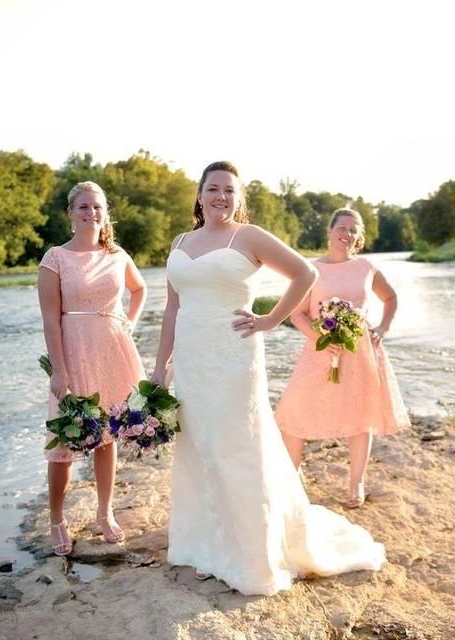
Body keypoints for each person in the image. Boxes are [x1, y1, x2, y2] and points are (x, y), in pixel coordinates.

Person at [150, 161, 386, 596]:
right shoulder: (180, 241)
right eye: (213, 188)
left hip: (234, 354)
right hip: (191, 358)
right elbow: (171, 308)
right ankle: (205, 544)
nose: (221, 196)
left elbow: (305, 273)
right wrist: (159, 366)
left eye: (230, 190)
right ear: (199, 195)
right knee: (198, 443)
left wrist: (270, 320)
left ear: (239, 199)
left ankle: (247, 550)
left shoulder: (249, 236)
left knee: (236, 445)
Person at [37, 181, 146, 555]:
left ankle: (104, 512)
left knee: (106, 436)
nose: (91, 213)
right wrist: (59, 371)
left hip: (111, 350)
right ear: (70, 213)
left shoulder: (117, 255)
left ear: (105, 212)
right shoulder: (55, 258)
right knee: (63, 442)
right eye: (83, 207)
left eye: (97, 207)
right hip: (73, 349)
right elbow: (51, 321)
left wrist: (128, 322)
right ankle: (57, 520)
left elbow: (140, 289)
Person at [276, 208, 409, 509]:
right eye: (342, 228)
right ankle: (291, 476)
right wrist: (318, 339)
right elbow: (296, 314)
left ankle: (356, 483)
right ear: (329, 230)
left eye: (353, 230)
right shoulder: (309, 269)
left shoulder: (366, 267)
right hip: (319, 349)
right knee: (294, 409)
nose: (347, 234)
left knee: (360, 416)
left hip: (360, 351)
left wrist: (383, 327)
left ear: (359, 236)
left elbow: (391, 298)